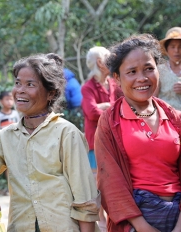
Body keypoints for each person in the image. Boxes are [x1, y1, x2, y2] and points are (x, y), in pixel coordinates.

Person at [0, 53, 100, 231]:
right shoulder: (5, 137)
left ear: (51, 93)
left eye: (30, 84)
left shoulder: (67, 134)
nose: (20, 90)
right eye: (17, 83)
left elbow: (85, 199)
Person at [95, 34, 181, 232]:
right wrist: (143, 228)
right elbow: (110, 181)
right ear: (117, 77)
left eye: (149, 69)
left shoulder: (174, 117)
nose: (142, 78)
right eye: (131, 72)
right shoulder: (110, 121)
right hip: (138, 218)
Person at [81, 46, 121, 175]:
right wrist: (113, 108)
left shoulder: (114, 83)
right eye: (108, 58)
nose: (112, 61)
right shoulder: (88, 87)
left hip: (115, 137)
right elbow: (92, 113)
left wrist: (105, 105)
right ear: (99, 62)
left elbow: (126, 104)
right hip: (96, 139)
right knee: (96, 178)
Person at [155, 27, 181, 110]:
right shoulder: (159, 70)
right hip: (166, 116)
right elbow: (153, 97)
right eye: (172, 47)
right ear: (166, 49)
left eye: (180, 47)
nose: (176, 50)